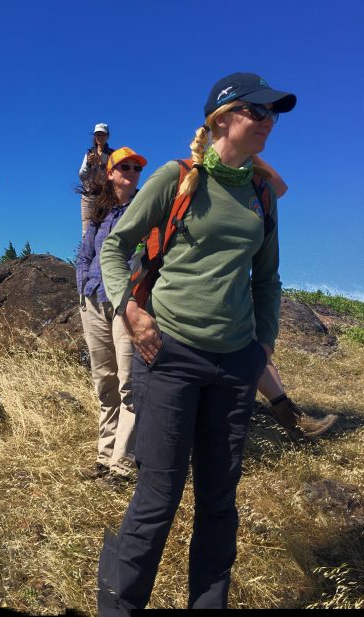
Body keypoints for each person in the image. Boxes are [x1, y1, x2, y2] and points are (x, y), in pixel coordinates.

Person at [95, 72, 294, 614]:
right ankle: (118, 606)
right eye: (259, 112)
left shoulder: (259, 193)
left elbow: (268, 279)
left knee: (218, 505)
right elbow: (116, 247)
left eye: (274, 114)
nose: (269, 122)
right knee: (157, 499)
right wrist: (131, 310)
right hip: (172, 354)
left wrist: (262, 348)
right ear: (222, 119)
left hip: (235, 364)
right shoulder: (175, 178)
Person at [80, 147, 144, 480]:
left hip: (126, 304)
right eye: (125, 166)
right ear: (110, 172)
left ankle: (123, 462)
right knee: (104, 381)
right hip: (93, 300)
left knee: (128, 383)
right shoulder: (101, 212)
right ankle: (104, 457)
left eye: (136, 167)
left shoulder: (146, 211)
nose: (132, 171)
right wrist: (82, 288)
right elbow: (85, 254)